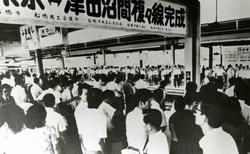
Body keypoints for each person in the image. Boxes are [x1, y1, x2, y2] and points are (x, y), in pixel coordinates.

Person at [77, 88, 107, 154]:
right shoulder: (101, 116)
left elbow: (80, 136)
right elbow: (101, 141)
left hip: (87, 150)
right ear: (100, 101)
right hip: (97, 151)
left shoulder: (82, 114)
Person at [125, 89, 152, 154]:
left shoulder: (129, 115)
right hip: (140, 150)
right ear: (141, 103)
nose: (151, 105)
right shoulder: (145, 117)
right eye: (149, 102)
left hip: (130, 150)